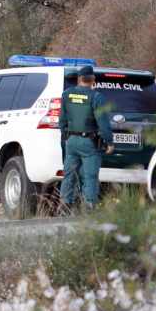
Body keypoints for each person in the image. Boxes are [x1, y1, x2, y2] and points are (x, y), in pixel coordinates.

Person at [58, 65, 114, 210]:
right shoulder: (96, 97)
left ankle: (64, 204)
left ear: (79, 79)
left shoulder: (66, 94)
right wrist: (109, 142)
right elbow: (103, 122)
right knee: (90, 176)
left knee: (69, 175)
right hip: (89, 143)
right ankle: (89, 206)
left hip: (71, 141)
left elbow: (62, 120)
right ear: (93, 80)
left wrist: (65, 138)